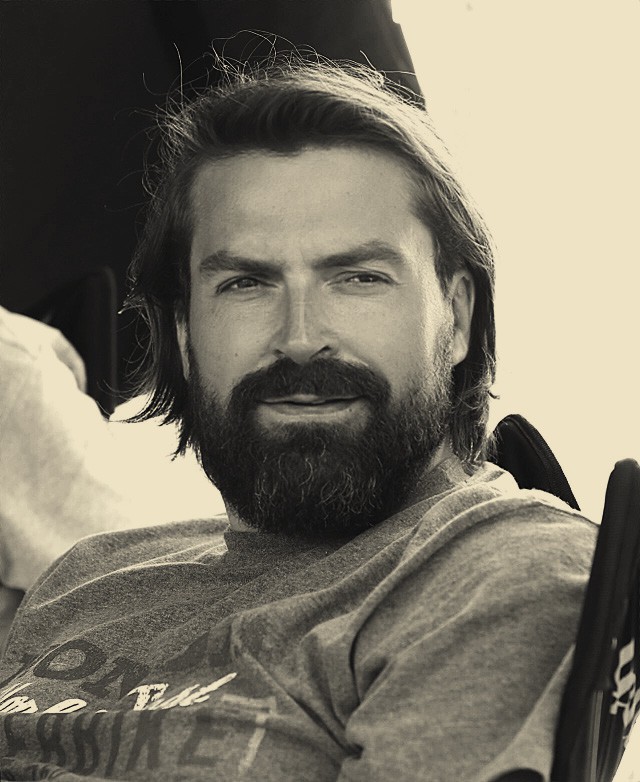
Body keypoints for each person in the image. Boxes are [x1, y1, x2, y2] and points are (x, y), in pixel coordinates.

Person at [0, 60, 596, 781]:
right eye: (246, 283)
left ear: (458, 317)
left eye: (359, 278)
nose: (301, 336)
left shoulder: (503, 573)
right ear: (185, 334)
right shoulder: (85, 577)